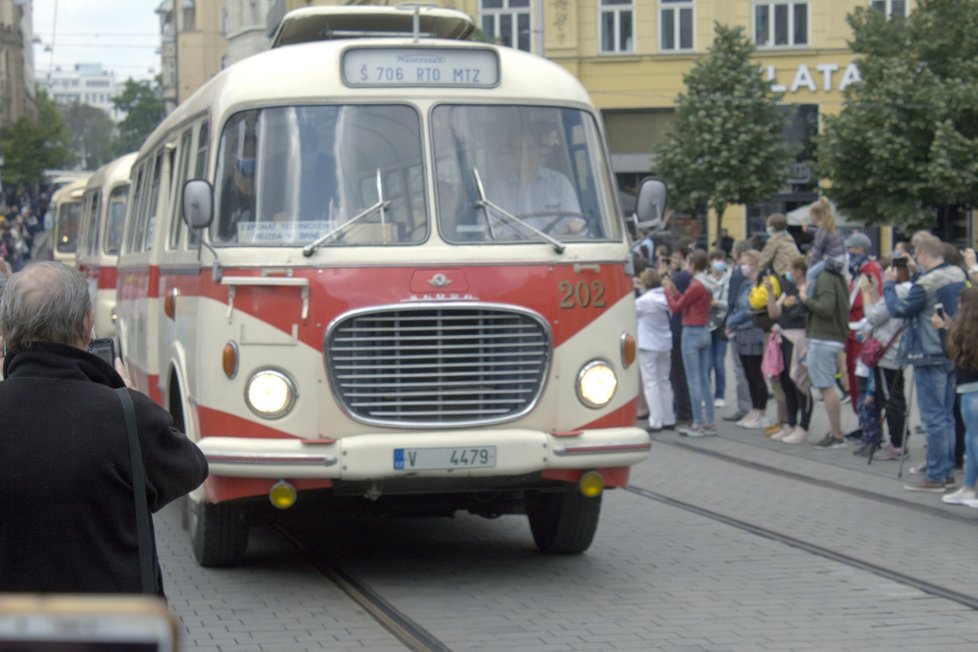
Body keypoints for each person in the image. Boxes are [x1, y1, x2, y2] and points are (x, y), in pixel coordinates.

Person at [0, 262, 208, 595]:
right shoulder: (126, 415)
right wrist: (128, 395)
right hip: (111, 629)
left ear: (6, 334)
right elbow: (192, 467)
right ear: (87, 324)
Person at [883, 233, 966, 491]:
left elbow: (900, 309)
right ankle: (948, 468)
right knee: (948, 416)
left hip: (928, 353)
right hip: (953, 349)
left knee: (933, 417)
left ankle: (936, 474)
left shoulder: (926, 283)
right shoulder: (957, 273)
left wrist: (888, 285)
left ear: (922, 256)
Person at [851, 260, 908, 460]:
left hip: (888, 354)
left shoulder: (898, 291)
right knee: (896, 396)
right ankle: (899, 440)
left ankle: (896, 444)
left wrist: (866, 293)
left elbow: (873, 317)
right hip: (897, 352)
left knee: (890, 399)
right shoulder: (909, 290)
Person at [487, 128, 583, 236]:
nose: (525, 154)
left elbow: (576, 224)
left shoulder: (560, 183)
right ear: (511, 152)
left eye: (530, 148)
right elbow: (489, 232)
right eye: (519, 149)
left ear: (539, 150)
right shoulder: (496, 190)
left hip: (554, 249)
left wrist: (574, 226)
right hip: (512, 251)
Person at [663, 249, 716, 437]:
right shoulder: (708, 283)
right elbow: (687, 302)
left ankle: (697, 423)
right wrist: (677, 294)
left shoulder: (696, 285)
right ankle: (710, 421)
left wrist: (669, 292)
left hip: (691, 332)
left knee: (693, 380)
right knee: (703, 379)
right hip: (704, 330)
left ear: (693, 265)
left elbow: (677, 307)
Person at [800, 256, 850, 449]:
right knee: (825, 385)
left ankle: (837, 434)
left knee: (826, 386)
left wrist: (806, 299)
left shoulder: (825, 277)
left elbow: (826, 308)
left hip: (824, 338)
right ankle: (835, 432)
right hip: (829, 337)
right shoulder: (835, 276)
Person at [937, 287, 978, 507]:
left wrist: (943, 330)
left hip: (970, 392)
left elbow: (950, 353)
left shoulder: (964, 330)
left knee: (974, 439)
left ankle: (970, 489)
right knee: (970, 440)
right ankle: (968, 488)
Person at [765, 256, 812, 444]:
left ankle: (804, 426)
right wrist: (769, 292)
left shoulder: (808, 287)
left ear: (799, 271)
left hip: (799, 338)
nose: (787, 273)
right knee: (785, 381)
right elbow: (774, 313)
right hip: (784, 337)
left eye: (790, 268)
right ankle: (791, 423)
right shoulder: (789, 289)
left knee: (800, 381)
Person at [725, 250, 768, 429]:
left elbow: (751, 309)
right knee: (748, 373)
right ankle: (753, 410)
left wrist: (730, 322)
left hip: (753, 331)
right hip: (740, 333)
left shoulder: (760, 285)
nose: (744, 267)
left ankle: (761, 411)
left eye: (747, 263)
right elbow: (736, 305)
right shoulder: (744, 285)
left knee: (756, 374)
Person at [843, 232, 883, 412]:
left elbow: (873, 299)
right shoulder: (858, 271)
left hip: (863, 331)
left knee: (862, 378)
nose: (850, 252)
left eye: (853, 249)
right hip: (852, 331)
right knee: (852, 375)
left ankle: (867, 420)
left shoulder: (872, 270)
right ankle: (860, 418)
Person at [635, 268, 674, 433]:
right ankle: (668, 418)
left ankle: (655, 421)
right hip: (665, 343)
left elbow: (628, 312)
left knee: (650, 383)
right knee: (664, 381)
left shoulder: (644, 301)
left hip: (648, 345)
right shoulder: (665, 298)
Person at [722, 240, 753, 422]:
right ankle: (752, 406)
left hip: (739, 325)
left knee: (740, 368)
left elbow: (732, 300)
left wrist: (729, 322)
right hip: (751, 325)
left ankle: (745, 407)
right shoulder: (751, 273)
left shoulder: (738, 274)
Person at [666, 238, 694, 426]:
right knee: (686, 372)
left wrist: (668, 285)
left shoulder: (680, 278)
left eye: (676, 257)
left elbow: (674, 303)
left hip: (678, 328)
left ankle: (683, 410)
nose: (673, 260)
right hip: (688, 327)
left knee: (678, 373)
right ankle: (686, 408)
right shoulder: (691, 279)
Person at [218, 130, 258, 241]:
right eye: (246, 155)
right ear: (232, 160)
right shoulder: (221, 197)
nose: (251, 159)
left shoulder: (267, 195)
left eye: (254, 155)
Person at [804, 197, 847, 292]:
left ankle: (808, 297)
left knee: (810, 274)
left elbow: (817, 253)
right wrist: (809, 230)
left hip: (832, 262)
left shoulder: (822, 231)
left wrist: (809, 267)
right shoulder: (830, 227)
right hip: (841, 260)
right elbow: (819, 235)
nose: (810, 217)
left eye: (811, 214)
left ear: (816, 215)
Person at [706, 250, 731, 408]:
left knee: (719, 362)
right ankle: (707, 394)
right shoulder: (706, 280)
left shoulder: (728, 280)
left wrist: (717, 303)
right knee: (707, 363)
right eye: (715, 260)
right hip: (707, 324)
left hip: (722, 324)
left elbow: (729, 302)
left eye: (721, 260)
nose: (718, 263)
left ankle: (720, 394)